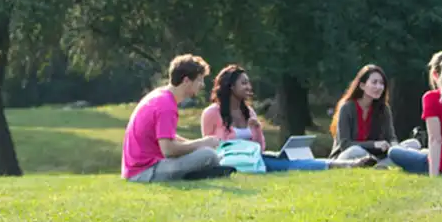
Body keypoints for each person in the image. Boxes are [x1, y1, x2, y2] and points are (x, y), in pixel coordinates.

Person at [200, 64, 375, 171]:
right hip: (232, 163)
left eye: (248, 82)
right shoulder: (212, 113)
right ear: (230, 87)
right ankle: (345, 165)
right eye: (243, 83)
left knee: (288, 159)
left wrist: (256, 129)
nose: (248, 87)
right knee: (288, 165)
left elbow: (259, 148)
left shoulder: (249, 112)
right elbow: (208, 148)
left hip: (254, 160)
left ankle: (342, 164)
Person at [121, 54, 222, 182]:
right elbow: (168, 150)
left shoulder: (161, 96)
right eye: (199, 80)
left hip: (136, 170)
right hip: (145, 172)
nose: (202, 85)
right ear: (186, 81)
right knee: (209, 155)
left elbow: (169, 137)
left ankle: (199, 173)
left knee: (205, 152)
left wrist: (198, 144)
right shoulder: (166, 105)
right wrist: (202, 144)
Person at [329, 64, 399, 162]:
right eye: (374, 82)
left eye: (381, 83)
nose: (379, 87)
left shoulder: (384, 109)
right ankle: (378, 163)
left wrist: (395, 148)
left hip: (377, 156)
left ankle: (379, 163)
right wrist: (374, 144)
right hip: (347, 157)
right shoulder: (347, 108)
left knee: (413, 144)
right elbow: (345, 145)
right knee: (356, 151)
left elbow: (391, 137)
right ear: (362, 85)